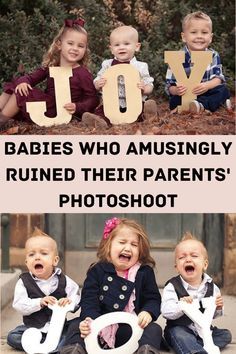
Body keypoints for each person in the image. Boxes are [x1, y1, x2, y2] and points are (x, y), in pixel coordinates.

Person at [61, 217, 162, 354]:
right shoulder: (97, 270)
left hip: (130, 329)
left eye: (134, 245)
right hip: (99, 328)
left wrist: (148, 312)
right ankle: (75, 349)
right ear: (108, 246)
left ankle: (145, 350)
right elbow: (89, 299)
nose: (127, 248)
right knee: (75, 326)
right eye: (122, 242)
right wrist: (89, 320)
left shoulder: (144, 273)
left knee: (154, 329)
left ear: (140, 251)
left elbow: (153, 298)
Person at [0, 18, 99, 130]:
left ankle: (2, 120)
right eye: (70, 43)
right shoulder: (51, 67)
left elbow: (93, 99)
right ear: (59, 45)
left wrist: (77, 106)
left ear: (85, 49)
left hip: (60, 111)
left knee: (21, 94)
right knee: (17, 85)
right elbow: (30, 78)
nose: (75, 49)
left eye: (80, 46)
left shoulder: (83, 73)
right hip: (47, 105)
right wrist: (23, 82)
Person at [7, 228, 80, 351]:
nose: (37, 257)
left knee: (73, 329)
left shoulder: (64, 280)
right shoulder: (24, 282)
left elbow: (76, 296)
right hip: (33, 328)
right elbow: (19, 304)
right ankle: (53, 347)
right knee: (13, 336)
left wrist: (69, 302)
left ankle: (55, 345)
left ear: (55, 260)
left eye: (43, 253)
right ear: (27, 262)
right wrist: (39, 302)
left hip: (58, 328)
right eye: (32, 254)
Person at [161, 232, 232, 354]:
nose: (188, 259)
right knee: (180, 336)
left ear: (205, 264)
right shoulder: (172, 286)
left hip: (203, 330)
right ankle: (194, 349)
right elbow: (166, 311)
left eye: (194, 255)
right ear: (176, 267)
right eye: (182, 257)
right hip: (180, 328)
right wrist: (180, 305)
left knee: (225, 335)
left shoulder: (212, 287)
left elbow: (213, 315)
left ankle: (191, 344)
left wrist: (219, 307)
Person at [82, 25, 158, 129]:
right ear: (111, 49)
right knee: (102, 111)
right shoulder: (107, 65)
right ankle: (99, 122)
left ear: (137, 46)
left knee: (142, 108)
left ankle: (149, 116)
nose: (121, 47)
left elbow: (149, 84)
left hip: (134, 102)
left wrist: (145, 88)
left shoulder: (140, 66)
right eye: (117, 45)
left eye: (126, 44)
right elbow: (97, 80)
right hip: (112, 103)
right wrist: (98, 84)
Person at [165, 11, 231, 113]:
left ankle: (201, 105)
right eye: (193, 32)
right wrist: (176, 90)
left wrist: (207, 86)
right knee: (174, 100)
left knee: (223, 90)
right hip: (187, 95)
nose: (199, 36)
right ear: (184, 37)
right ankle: (214, 106)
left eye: (204, 32)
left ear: (210, 38)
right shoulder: (177, 57)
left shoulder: (213, 55)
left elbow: (218, 79)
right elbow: (169, 85)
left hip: (208, 91)